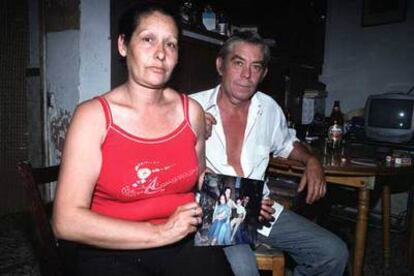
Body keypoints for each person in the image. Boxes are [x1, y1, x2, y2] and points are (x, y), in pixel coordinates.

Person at [51, 2, 232, 275]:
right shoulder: (93, 117)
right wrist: (160, 232)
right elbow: (65, 222)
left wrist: (241, 202)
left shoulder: (191, 112)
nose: (160, 53)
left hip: (182, 242)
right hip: (110, 248)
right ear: (123, 45)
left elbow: (200, 177)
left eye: (170, 44)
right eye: (148, 39)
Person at [191, 31, 348, 276]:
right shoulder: (190, 108)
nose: (246, 75)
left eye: (256, 67)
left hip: (261, 210)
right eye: (238, 63)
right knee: (244, 269)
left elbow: (288, 145)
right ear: (221, 65)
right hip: (214, 217)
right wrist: (190, 132)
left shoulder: (269, 108)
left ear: (263, 74)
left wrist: (312, 160)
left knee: (333, 252)